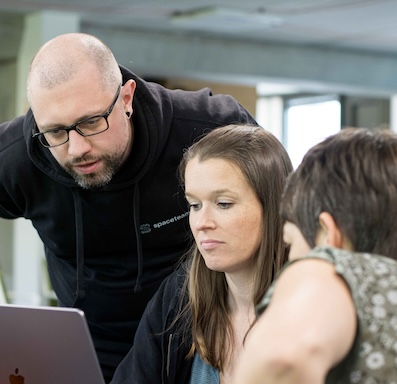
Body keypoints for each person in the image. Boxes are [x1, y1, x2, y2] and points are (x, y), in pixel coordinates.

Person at [0, 33, 257, 382]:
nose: (76, 149)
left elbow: (280, 218)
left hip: (197, 336)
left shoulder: (208, 129)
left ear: (126, 98)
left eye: (91, 122)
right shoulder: (19, 156)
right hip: (88, 348)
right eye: (56, 132)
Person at [110, 124, 293, 384]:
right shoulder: (178, 297)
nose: (201, 222)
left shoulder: (315, 309)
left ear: (274, 207)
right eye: (195, 205)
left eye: (223, 204)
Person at [233, 127, 397, 384]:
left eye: (290, 242)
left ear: (327, 235)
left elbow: (280, 360)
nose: (290, 257)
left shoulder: (333, 268)